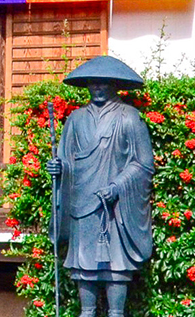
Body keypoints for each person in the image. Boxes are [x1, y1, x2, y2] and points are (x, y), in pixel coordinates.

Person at [46, 55, 154, 317]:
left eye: (103, 83)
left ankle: (116, 312)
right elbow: (67, 159)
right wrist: (60, 169)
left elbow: (143, 164)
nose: (97, 87)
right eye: (93, 83)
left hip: (114, 208)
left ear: (115, 85)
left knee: (116, 267)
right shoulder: (75, 119)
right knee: (83, 266)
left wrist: (117, 186)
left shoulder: (129, 117)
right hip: (81, 204)